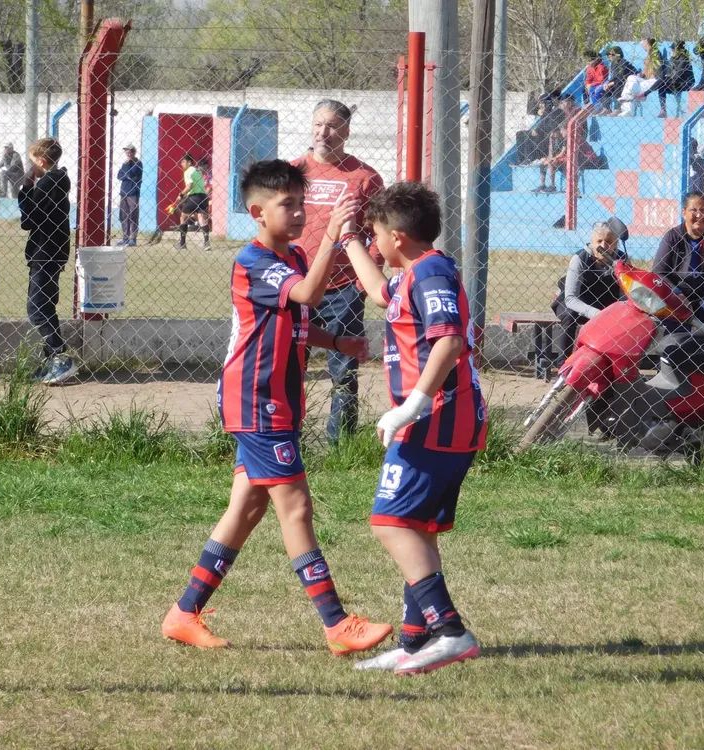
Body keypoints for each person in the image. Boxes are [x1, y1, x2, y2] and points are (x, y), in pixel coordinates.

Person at [160, 160, 392, 655]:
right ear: (257, 212)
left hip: (276, 400)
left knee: (246, 508)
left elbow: (297, 321)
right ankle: (336, 624)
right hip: (257, 400)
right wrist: (333, 235)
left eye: (301, 202)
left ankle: (184, 613)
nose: (299, 211)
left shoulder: (294, 259)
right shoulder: (254, 260)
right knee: (297, 507)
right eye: (287, 204)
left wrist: (337, 342)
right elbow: (306, 296)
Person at [339, 181, 487, 675]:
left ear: (397, 238)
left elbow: (447, 343)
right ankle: (415, 641)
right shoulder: (413, 273)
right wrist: (349, 240)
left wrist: (411, 406)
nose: (374, 243)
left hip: (436, 419)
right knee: (419, 530)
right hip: (438, 419)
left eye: (376, 234)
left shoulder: (431, 274)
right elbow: (380, 293)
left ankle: (450, 632)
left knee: (390, 522)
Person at [292, 100, 384, 444]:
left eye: (331, 126)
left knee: (343, 371)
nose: (323, 132)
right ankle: (288, 436)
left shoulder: (364, 177)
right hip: (297, 286)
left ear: (345, 131)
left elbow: (379, 233)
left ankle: (340, 445)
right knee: (290, 368)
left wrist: (364, 281)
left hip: (343, 289)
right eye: (318, 124)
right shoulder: (293, 170)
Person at [17, 138, 77, 385]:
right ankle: (52, 358)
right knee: (45, 304)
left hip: (45, 252)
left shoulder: (47, 184)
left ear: (41, 162)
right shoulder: (57, 182)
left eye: (32, 163)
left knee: (37, 307)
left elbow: (29, 220)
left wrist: (26, 187)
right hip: (52, 250)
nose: (30, 168)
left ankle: (59, 356)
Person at [653, 192, 704, 328]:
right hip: (678, 294)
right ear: (684, 212)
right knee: (675, 328)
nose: (699, 215)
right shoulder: (672, 237)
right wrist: (677, 293)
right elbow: (658, 271)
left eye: (703, 210)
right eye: (694, 210)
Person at [552, 222, 627, 360]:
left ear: (616, 244)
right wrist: (596, 313)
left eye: (609, 242)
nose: (603, 246)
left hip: (603, 303)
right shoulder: (579, 259)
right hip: (574, 302)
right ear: (592, 242)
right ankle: (563, 364)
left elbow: (626, 295)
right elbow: (570, 298)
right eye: (599, 241)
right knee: (569, 315)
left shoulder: (622, 260)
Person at [618, 39, 666, 116]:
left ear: (647, 41)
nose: (641, 42)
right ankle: (627, 109)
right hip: (646, 81)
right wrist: (641, 74)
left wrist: (646, 93)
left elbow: (659, 75)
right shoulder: (649, 54)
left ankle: (628, 108)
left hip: (653, 82)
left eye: (642, 40)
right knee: (631, 80)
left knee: (631, 84)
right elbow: (648, 70)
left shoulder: (655, 54)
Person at [511, 94, 564, 164]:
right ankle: (521, 159)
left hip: (548, 136)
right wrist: (536, 129)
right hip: (541, 133)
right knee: (520, 134)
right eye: (540, 103)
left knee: (529, 135)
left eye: (543, 103)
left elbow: (551, 126)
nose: (541, 105)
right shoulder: (546, 112)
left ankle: (529, 158)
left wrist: (537, 130)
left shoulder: (556, 112)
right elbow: (542, 124)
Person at [176, 155, 211, 251]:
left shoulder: (188, 172)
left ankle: (182, 243)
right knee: (202, 219)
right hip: (203, 197)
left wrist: (181, 195)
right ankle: (206, 243)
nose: (181, 164)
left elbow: (190, 185)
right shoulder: (198, 172)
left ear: (189, 162)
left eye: (183, 162)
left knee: (183, 217)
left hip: (194, 196)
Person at [660, 41, 696, 117]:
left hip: (685, 82)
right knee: (661, 85)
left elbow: (679, 73)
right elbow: (669, 72)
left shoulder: (684, 59)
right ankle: (663, 110)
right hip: (675, 82)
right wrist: (668, 78)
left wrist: (669, 78)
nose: (672, 51)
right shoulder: (673, 58)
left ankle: (647, 92)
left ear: (678, 50)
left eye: (673, 49)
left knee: (664, 82)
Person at [116, 145, 142, 247]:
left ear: (134, 152)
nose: (128, 153)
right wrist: (125, 170)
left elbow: (131, 173)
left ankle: (133, 239)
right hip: (123, 192)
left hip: (133, 193)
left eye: (130, 151)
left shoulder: (138, 163)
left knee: (133, 215)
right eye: (127, 151)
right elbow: (119, 176)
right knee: (124, 216)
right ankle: (125, 238)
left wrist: (126, 174)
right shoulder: (125, 163)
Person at [601, 47, 638, 112]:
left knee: (617, 87)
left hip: (625, 82)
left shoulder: (623, 62)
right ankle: (606, 109)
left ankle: (617, 108)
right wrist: (608, 83)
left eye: (612, 55)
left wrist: (611, 83)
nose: (610, 57)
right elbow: (613, 77)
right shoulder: (613, 63)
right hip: (616, 81)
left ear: (618, 55)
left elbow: (621, 77)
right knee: (605, 89)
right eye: (608, 55)